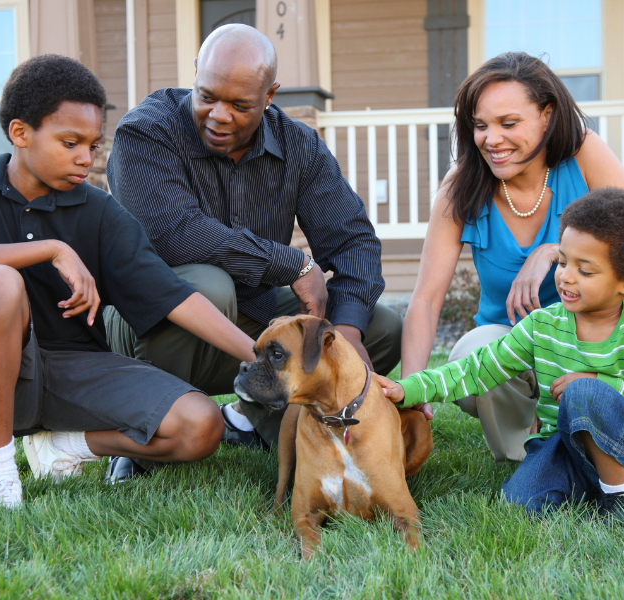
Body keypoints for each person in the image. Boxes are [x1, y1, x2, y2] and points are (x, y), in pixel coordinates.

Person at [0, 54, 256, 508]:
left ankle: (66, 447)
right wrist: (52, 249)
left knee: (201, 426)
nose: (85, 158)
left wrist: (264, 358)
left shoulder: (99, 211)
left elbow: (174, 298)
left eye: (93, 145)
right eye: (70, 142)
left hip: (78, 371)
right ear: (20, 133)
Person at [102, 24, 402, 473]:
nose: (218, 115)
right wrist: (293, 264)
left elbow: (353, 240)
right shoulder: (146, 133)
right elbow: (171, 232)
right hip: (149, 321)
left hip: (251, 318)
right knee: (209, 283)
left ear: (270, 95)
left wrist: (349, 334)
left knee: (379, 325)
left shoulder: (298, 146)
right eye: (206, 96)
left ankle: (250, 417)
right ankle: (146, 434)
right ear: (195, 74)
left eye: (240, 105)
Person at [400, 52, 624, 464]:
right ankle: (526, 453)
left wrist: (555, 251)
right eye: (481, 125)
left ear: (547, 116)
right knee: (470, 348)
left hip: (594, 340)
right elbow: (425, 299)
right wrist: (411, 393)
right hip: (516, 348)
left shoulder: (582, 152)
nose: (491, 139)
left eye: (508, 124)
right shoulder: (461, 184)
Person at [379, 188, 624, 517]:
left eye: (585, 270)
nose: (565, 276)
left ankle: (621, 494)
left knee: (584, 391)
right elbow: (477, 368)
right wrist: (408, 387)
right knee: (519, 503)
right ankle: (589, 485)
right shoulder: (543, 326)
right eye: (563, 261)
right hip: (563, 448)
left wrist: (604, 385)